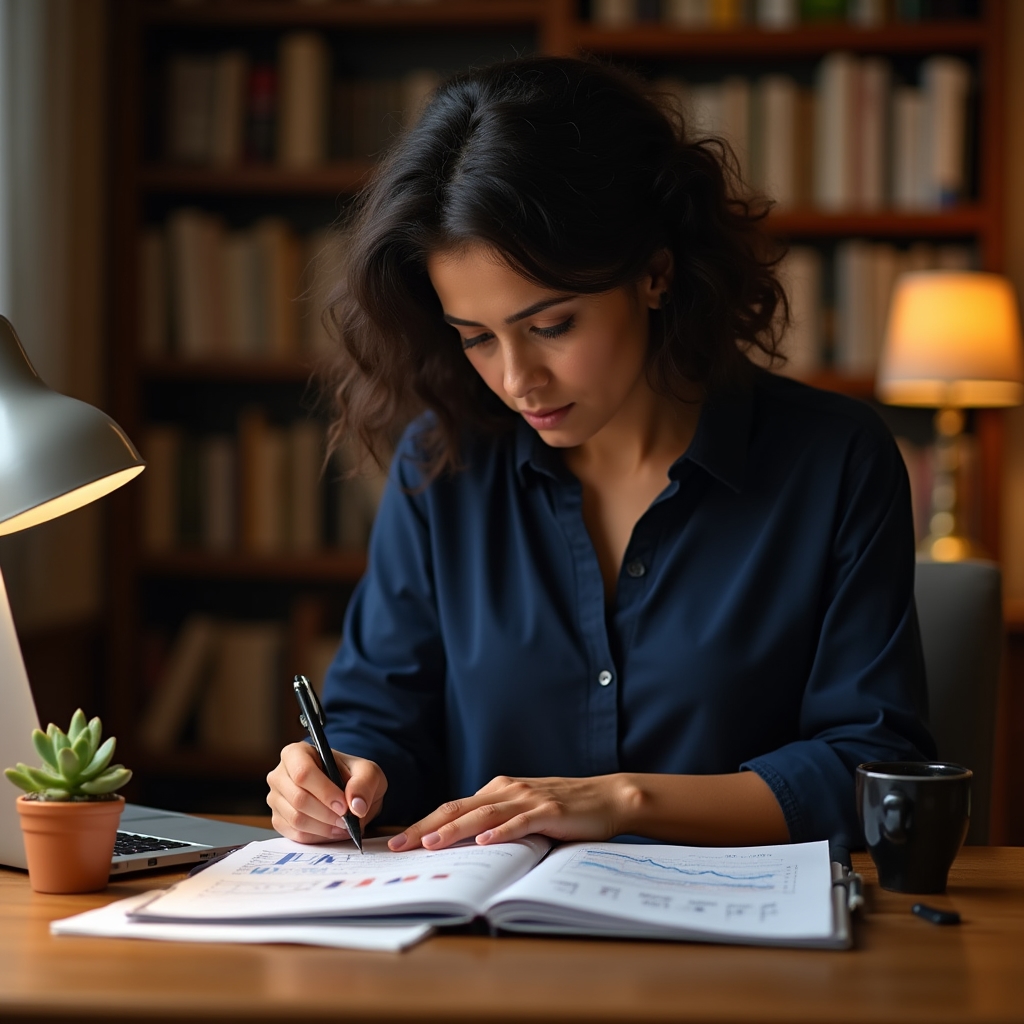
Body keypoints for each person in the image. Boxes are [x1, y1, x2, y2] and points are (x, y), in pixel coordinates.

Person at [266, 56, 934, 854]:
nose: (518, 379)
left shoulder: (834, 462)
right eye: (476, 338)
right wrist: (340, 774)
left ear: (654, 273)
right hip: (486, 952)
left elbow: (870, 766)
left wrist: (621, 800)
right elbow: (383, 721)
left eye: (552, 327)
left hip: (746, 953)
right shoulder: (441, 465)